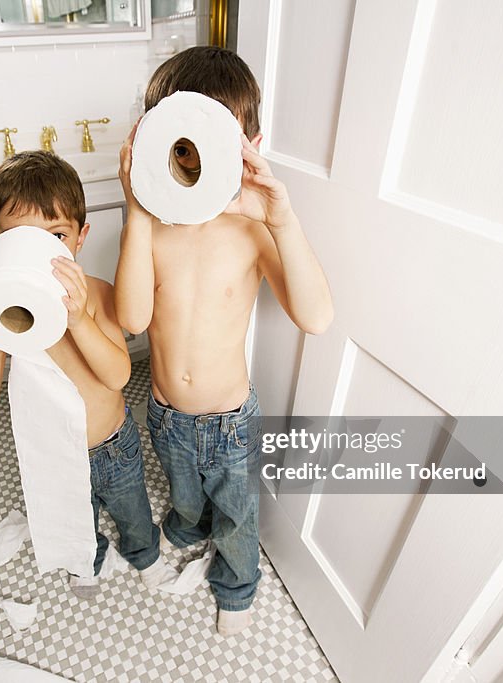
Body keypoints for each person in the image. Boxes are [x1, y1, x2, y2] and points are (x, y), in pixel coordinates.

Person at [114, 46, 334, 635]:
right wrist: (136, 210)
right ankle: (187, 525)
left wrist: (281, 219)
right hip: (164, 413)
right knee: (184, 495)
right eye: (179, 146)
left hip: (229, 420)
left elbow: (315, 317)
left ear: (249, 146)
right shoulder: (150, 226)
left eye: (209, 143)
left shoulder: (251, 228)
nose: (192, 161)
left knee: (236, 518)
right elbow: (132, 319)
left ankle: (236, 590)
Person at [0, 151, 172, 597]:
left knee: (132, 512)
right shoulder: (5, 306)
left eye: (56, 235)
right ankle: (86, 559)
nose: (42, 251)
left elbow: (117, 376)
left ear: (79, 237)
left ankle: (145, 555)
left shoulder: (94, 294)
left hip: (113, 446)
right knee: (72, 514)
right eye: (21, 237)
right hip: (55, 450)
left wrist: (80, 320)